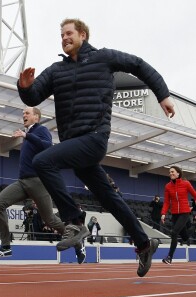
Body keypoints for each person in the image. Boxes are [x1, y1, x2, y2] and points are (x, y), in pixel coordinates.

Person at [17, 18, 176, 277]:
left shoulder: (104, 58)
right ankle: (144, 243)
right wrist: (24, 86)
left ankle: (75, 220)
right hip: (74, 144)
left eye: (69, 33)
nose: (64, 38)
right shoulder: (57, 70)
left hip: (94, 138)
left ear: (82, 35)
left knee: (43, 161)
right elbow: (34, 96)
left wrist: (163, 95)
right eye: (61, 35)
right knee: (108, 198)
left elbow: (138, 65)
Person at [0, 107, 86, 263]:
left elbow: (48, 146)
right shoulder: (29, 135)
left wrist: (27, 135)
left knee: (50, 220)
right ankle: (5, 247)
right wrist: (26, 136)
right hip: (22, 182)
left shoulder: (41, 130)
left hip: (38, 181)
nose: (23, 115)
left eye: (27, 113)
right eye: (23, 113)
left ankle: (77, 239)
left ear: (36, 118)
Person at [161, 166, 196, 264]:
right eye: (169, 172)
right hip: (175, 214)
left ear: (178, 173)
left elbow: (195, 195)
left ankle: (169, 257)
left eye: (172, 172)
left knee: (174, 233)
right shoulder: (167, 186)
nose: (170, 173)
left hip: (184, 212)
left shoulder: (186, 184)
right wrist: (163, 213)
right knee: (184, 237)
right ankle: (193, 228)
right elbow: (167, 202)